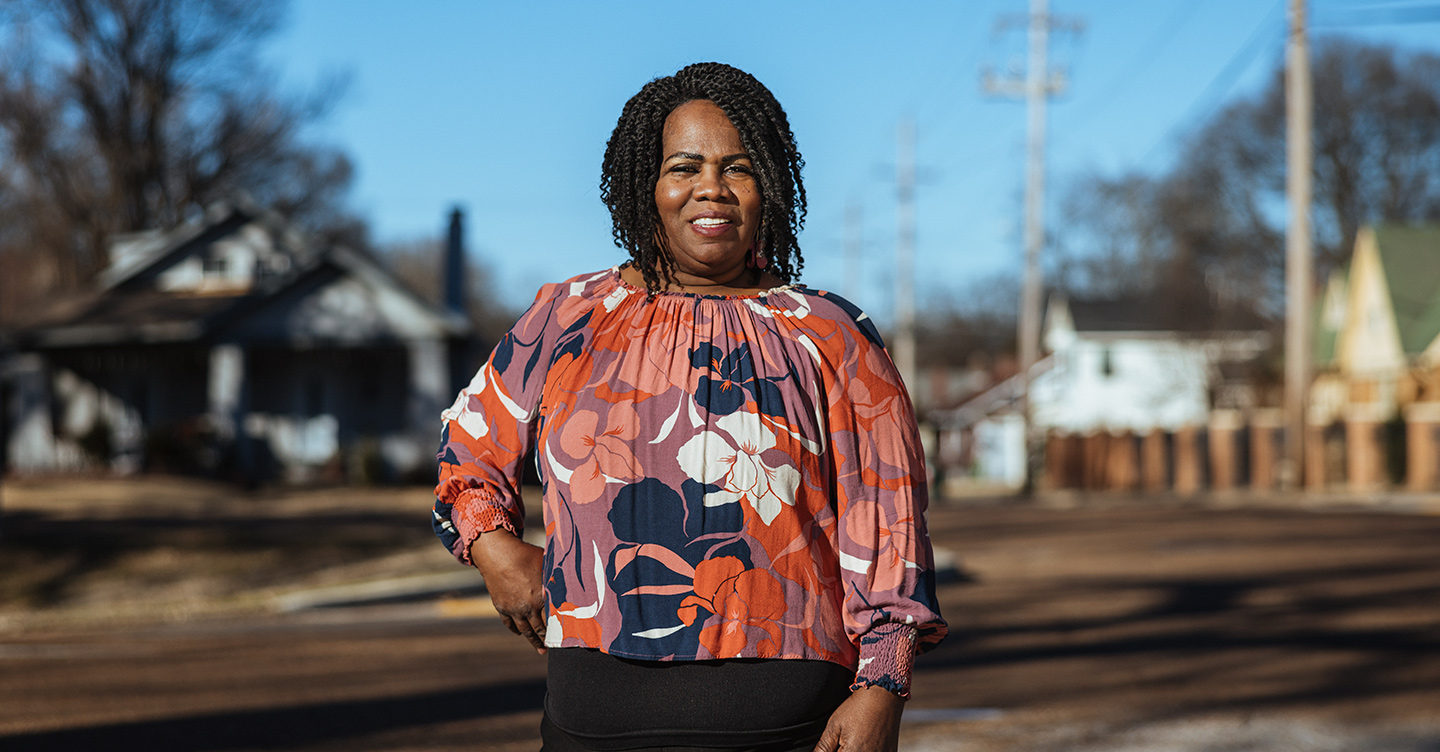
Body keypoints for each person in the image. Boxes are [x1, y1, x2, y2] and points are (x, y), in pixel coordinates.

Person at [432, 62, 946, 752]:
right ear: (646, 186)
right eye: (684, 166)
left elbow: (889, 525)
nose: (712, 187)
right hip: (593, 715)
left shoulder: (830, 334)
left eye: (738, 167)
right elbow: (468, 449)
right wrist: (495, 549)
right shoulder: (569, 319)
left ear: (770, 184)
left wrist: (884, 687)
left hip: (785, 722)